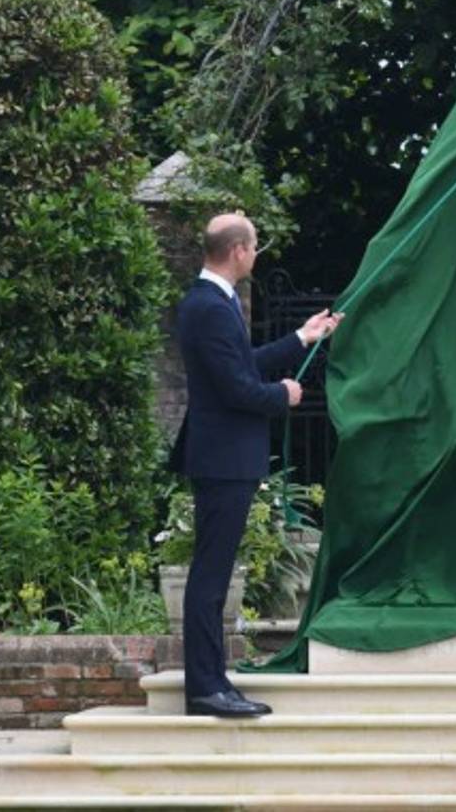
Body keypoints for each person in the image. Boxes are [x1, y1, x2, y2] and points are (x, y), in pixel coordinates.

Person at [169, 212, 342, 717]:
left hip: (225, 457)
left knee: (214, 573)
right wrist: (282, 395)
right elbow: (237, 388)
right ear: (239, 251)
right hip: (223, 458)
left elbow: (241, 363)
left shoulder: (214, 303)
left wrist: (301, 338)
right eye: (254, 248)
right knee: (211, 574)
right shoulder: (208, 306)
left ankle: (213, 682)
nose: (254, 256)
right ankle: (205, 689)